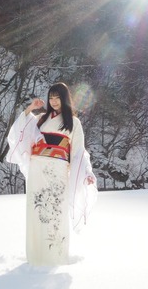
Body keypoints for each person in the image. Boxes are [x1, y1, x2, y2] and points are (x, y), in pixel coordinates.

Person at [6, 82, 97, 266]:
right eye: (51, 97)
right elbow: (20, 130)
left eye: (57, 97)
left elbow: (79, 151)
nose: (54, 101)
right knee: (36, 210)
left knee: (56, 211)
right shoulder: (40, 119)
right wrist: (30, 108)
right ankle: (35, 255)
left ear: (65, 99)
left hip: (58, 170)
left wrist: (86, 172)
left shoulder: (74, 123)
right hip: (37, 168)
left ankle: (55, 255)